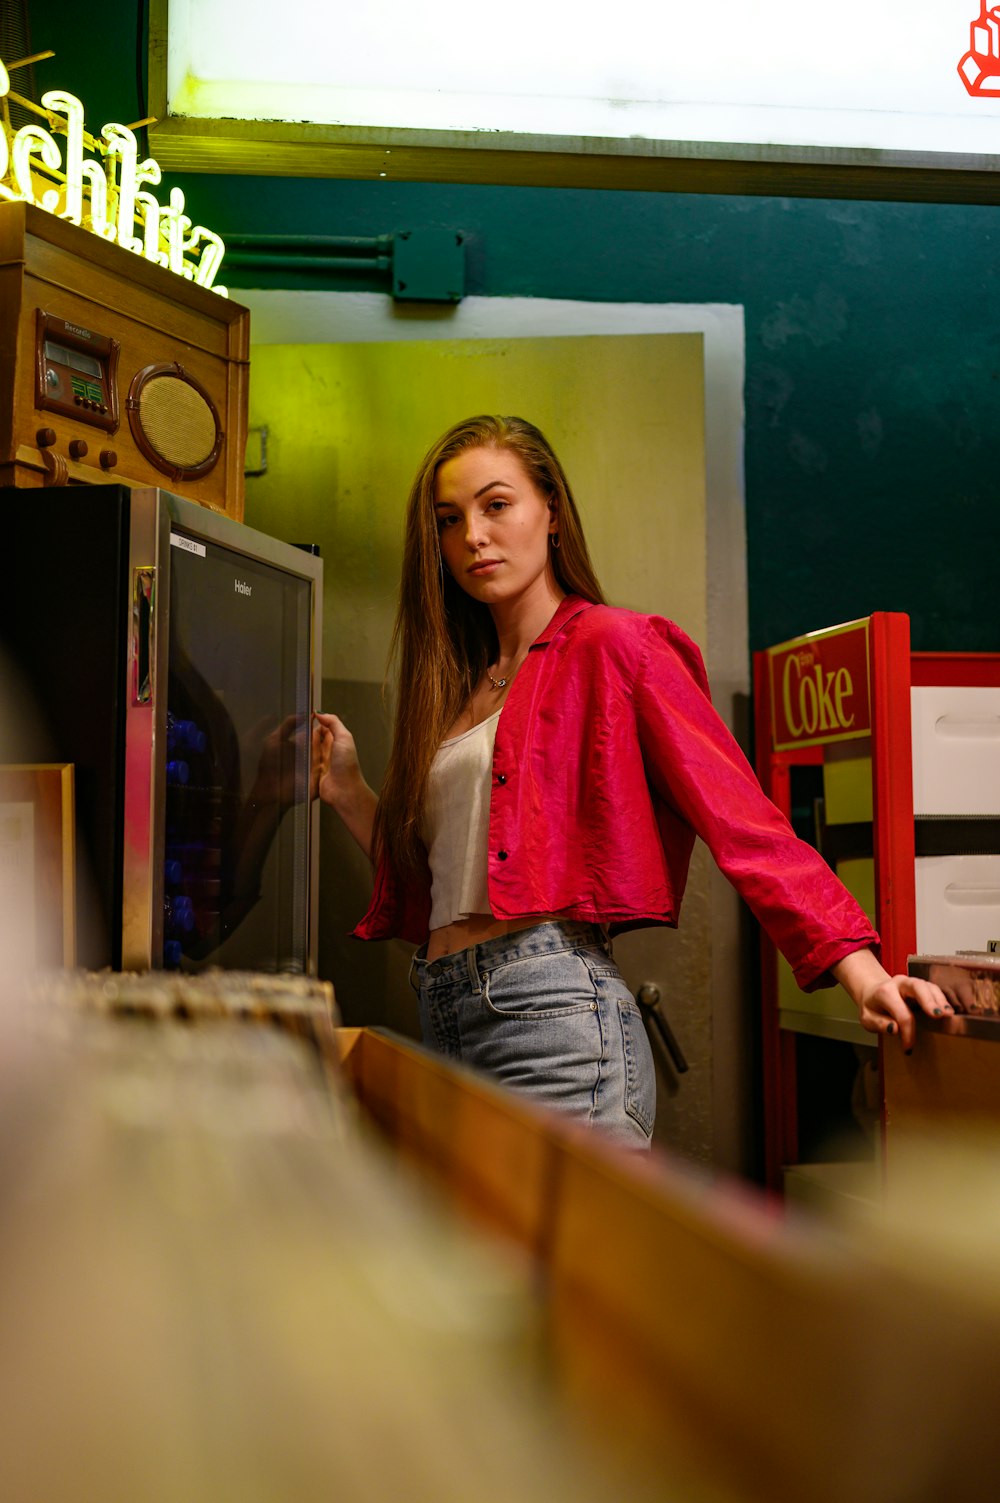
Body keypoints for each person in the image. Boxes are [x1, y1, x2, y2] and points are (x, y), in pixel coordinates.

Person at [314, 414, 951, 1150]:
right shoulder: (462, 692)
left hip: (552, 1017)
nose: (473, 538)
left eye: (497, 505)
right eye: (449, 520)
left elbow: (745, 822)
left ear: (551, 512)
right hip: (443, 1010)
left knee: (568, 1265)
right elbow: (435, 893)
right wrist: (352, 793)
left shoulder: (620, 646)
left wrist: (866, 976)